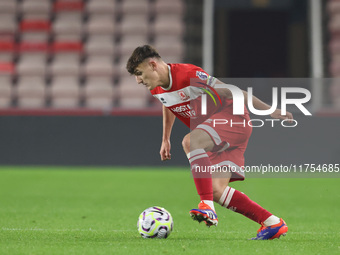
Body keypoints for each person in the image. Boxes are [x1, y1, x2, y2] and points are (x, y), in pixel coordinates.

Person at [126, 45, 290, 240]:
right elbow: (168, 103)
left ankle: (207, 206)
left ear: (152, 65)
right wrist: (165, 139)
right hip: (215, 134)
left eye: (139, 73)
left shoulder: (189, 74)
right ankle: (272, 223)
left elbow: (231, 92)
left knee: (190, 141)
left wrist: (269, 110)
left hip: (232, 120)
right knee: (217, 190)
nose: (138, 80)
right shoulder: (156, 88)